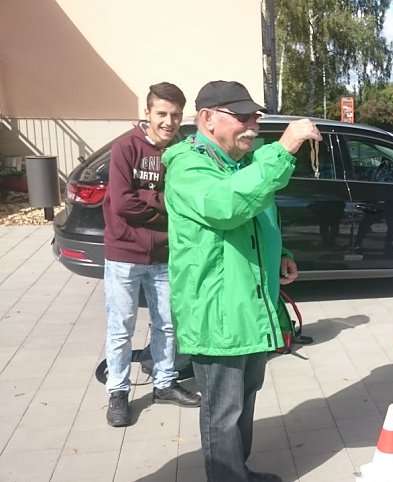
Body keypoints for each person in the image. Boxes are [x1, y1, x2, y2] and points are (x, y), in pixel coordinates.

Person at [163, 80, 321, 482]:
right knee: (223, 411)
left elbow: (257, 218)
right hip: (217, 314)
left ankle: (238, 473)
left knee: (244, 400)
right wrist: (284, 148)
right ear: (207, 119)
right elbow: (228, 206)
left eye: (256, 116)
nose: (252, 124)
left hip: (249, 309)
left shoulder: (242, 164)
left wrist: (279, 254)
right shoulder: (188, 165)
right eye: (242, 116)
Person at [102, 82, 201, 428]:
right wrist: (168, 208)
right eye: (162, 114)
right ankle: (117, 392)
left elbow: (186, 197)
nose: (168, 121)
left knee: (167, 324)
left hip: (163, 254)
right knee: (120, 328)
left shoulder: (182, 151)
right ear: (148, 113)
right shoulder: (125, 148)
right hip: (124, 253)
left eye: (175, 115)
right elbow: (124, 202)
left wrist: (160, 207)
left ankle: (164, 383)